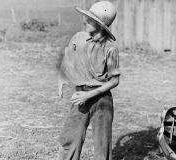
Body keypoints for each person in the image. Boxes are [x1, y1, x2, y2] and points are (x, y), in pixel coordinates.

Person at [57, 1, 120, 160]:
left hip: (102, 99)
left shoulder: (110, 48)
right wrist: (62, 79)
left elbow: (114, 81)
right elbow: (68, 59)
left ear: (101, 25)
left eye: (90, 20)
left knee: (102, 144)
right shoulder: (78, 38)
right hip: (80, 97)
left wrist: (89, 95)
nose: (85, 22)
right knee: (69, 138)